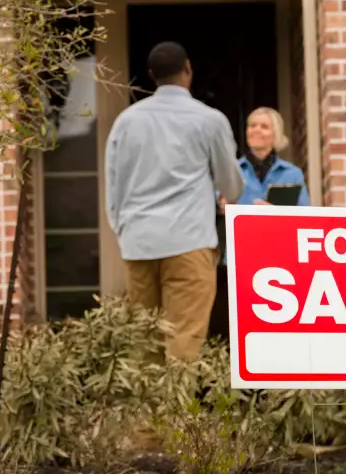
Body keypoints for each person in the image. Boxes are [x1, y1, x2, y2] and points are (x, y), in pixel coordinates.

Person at [104, 41, 244, 361]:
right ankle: (176, 412)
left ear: (152, 75)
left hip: (139, 243)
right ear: (188, 70)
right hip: (188, 241)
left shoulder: (126, 121)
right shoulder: (209, 120)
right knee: (184, 339)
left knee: (144, 341)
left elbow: (114, 188)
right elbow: (230, 184)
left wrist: (123, 231)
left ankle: (146, 411)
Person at [211, 107, 310, 340]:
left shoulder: (292, 173)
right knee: (235, 323)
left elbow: (304, 215)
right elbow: (211, 205)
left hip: (277, 259)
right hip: (236, 257)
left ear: (276, 134)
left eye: (264, 126)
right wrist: (220, 205)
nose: (256, 130)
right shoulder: (232, 170)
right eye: (251, 125)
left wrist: (276, 213)